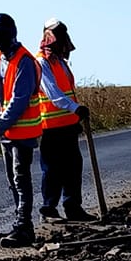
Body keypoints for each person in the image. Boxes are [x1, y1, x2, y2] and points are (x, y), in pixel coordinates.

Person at [0, 13, 44, 246]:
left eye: (2, 35)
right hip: (7, 134)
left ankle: (24, 226)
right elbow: (4, 93)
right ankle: (21, 222)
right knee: (12, 179)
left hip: (22, 132)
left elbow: (19, 100)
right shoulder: (0, 58)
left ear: (13, 33)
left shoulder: (24, 61)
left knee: (21, 178)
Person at [35, 19, 92, 221]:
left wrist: (76, 114)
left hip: (68, 125)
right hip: (50, 127)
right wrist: (75, 108)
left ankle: (72, 207)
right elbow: (54, 94)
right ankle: (49, 208)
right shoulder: (41, 62)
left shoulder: (61, 63)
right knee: (52, 169)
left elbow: (68, 91)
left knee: (73, 166)